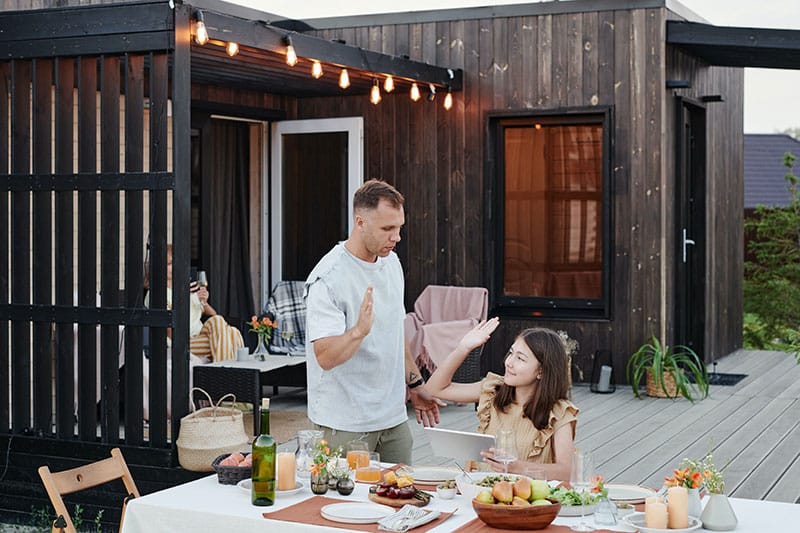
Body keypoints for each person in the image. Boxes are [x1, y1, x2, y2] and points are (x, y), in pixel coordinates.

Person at [304, 179, 444, 464]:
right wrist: (358, 332)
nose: (397, 237)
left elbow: (395, 330)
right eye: (387, 229)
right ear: (360, 222)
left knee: (400, 499)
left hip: (393, 419)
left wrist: (416, 384)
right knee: (342, 506)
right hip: (344, 424)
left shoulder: (391, 262)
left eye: (399, 227)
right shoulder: (328, 278)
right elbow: (325, 357)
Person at [425, 319, 578, 480]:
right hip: (481, 491)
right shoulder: (494, 390)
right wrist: (464, 348)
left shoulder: (560, 412)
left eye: (520, 358)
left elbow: (566, 471)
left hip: (527, 499)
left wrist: (517, 467)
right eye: (511, 353)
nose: (508, 363)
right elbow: (435, 388)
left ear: (541, 371)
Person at [145, 244, 244, 362]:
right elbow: (170, 332)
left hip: (201, 334)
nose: (175, 266)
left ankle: (223, 376)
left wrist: (204, 302)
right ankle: (232, 375)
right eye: (170, 264)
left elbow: (213, 314)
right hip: (179, 340)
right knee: (233, 334)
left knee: (219, 321)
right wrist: (182, 297)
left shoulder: (186, 287)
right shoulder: (157, 293)